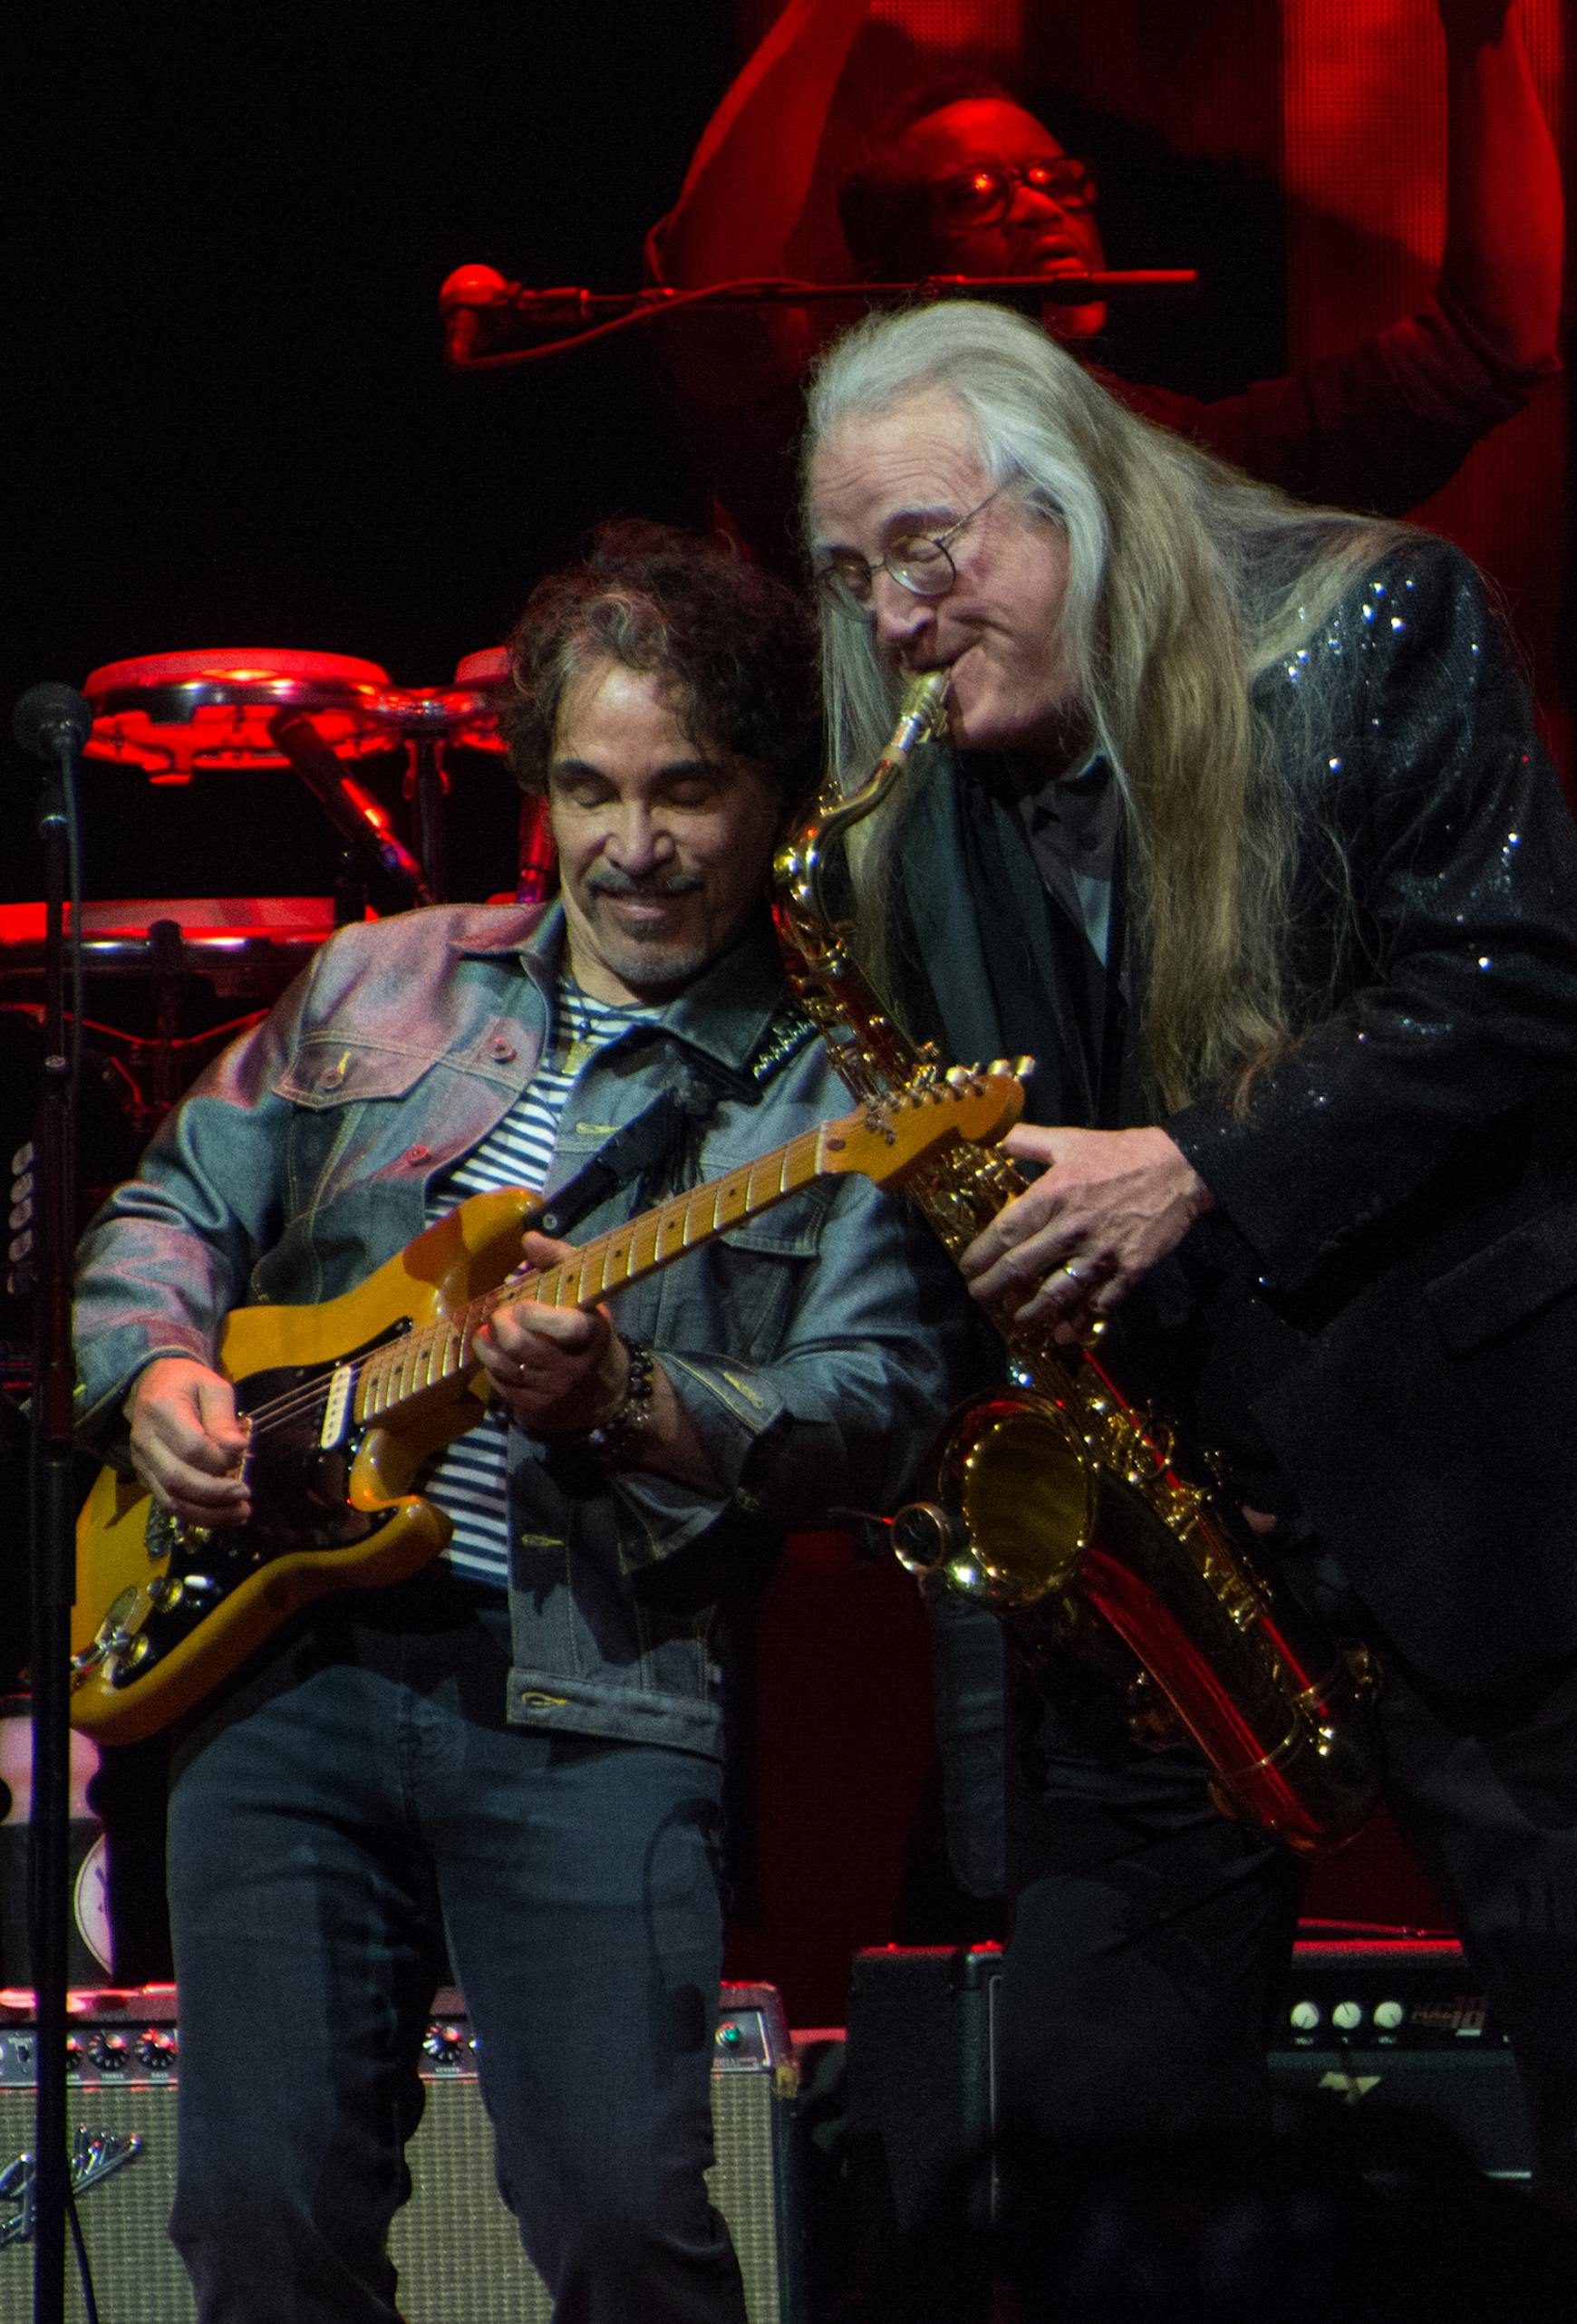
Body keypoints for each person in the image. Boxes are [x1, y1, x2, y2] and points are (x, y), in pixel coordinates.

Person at [798, 299, 1577, 2324]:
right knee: (1082, 2127)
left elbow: (1507, 983)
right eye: (851, 578)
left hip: (1511, 1499)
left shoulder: (1375, 617)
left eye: (926, 549)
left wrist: (1187, 1163)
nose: (894, 620)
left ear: (1065, 488)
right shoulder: (917, 814)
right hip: (1191, 1572)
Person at [70, 524, 959, 2323]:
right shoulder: (382, 975)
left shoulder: (841, 1085)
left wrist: (631, 1396)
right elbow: (163, 1214)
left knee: (628, 2233)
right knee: (255, 2229)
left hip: (594, 1692)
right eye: (591, 790)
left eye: (687, 792)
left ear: (777, 793)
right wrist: (155, 1371)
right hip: (274, 1675)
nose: (632, 846)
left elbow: (876, 1406)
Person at [653, 0, 1563, 567]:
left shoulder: (1170, 455)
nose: (1041, 209)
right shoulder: (840, 451)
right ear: (893, 279)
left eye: (1059, 181)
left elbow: (1493, 346)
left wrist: (1482, 25)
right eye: (978, 193)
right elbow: (710, 284)